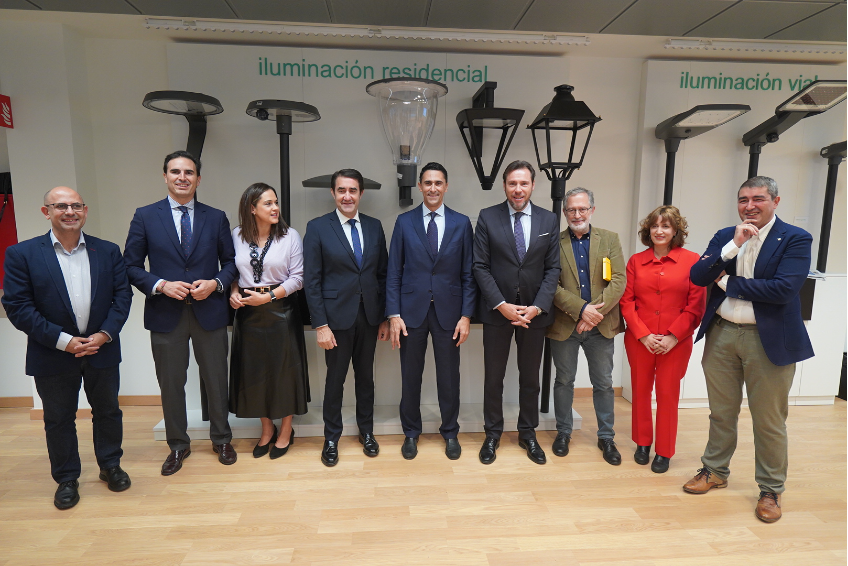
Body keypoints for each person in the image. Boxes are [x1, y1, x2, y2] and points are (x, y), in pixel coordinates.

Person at [683, 176, 814, 523]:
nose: (750, 206)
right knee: (721, 412)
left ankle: (771, 489)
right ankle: (714, 471)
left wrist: (726, 281)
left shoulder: (795, 238)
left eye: (758, 198)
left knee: (768, 420)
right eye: (743, 199)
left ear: (775, 201)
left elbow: (783, 289)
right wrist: (733, 246)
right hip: (722, 334)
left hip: (767, 340)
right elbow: (698, 276)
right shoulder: (726, 235)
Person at [2, 186, 132, 509]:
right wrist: (65, 341)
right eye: (61, 206)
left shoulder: (108, 250)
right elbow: (18, 307)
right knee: (59, 418)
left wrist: (104, 334)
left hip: (101, 349)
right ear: (46, 212)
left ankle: (110, 465)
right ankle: (66, 478)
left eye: (76, 205)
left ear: (85, 211)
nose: (70, 212)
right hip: (51, 353)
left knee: (108, 411)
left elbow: (122, 297)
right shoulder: (22, 254)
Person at [124, 150, 238, 475]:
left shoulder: (216, 217)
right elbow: (130, 265)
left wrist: (215, 284)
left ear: (198, 179)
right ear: (165, 177)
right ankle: (177, 445)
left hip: (210, 312)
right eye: (175, 172)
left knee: (216, 379)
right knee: (171, 383)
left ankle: (222, 439)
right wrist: (161, 285)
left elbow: (231, 263)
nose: (182, 177)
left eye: (189, 172)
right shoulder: (145, 216)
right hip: (165, 313)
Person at [385, 162, 476, 460]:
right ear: (420, 186)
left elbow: (468, 274)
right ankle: (411, 432)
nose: (433, 188)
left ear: (446, 186)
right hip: (410, 313)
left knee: (449, 378)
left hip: (450, 314)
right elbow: (394, 272)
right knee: (411, 376)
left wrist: (466, 316)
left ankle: (450, 432)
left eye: (438, 183)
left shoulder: (462, 223)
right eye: (428, 183)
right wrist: (394, 314)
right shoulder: (404, 222)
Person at [473, 160, 561, 465]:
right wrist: (501, 305)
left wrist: (536, 307)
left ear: (533, 185)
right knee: (493, 378)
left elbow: (553, 269)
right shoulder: (487, 217)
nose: (518, 189)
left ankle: (528, 433)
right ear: (504, 186)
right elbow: (480, 266)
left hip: (534, 314)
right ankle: (492, 434)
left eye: (524, 183)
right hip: (497, 312)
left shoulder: (549, 219)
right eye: (512, 183)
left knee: (530, 378)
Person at [303, 168, 389, 467]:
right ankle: (331, 437)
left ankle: (367, 432)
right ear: (333, 193)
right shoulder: (317, 227)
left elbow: (382, 275)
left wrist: (384, 317)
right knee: (335, 380)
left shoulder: (375, 227)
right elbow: (312, 281)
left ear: (361, 193)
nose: (347, 196)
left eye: (353, 190)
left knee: (366, 378)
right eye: (341, 190)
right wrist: (321, 325)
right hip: (335, 320)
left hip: (369, 317)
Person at [620, 205, 706, 473]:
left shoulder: (692, 261)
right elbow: (627, 302)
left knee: (668, 395)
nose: (659, 231)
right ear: (648, 230)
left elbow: (696, 305)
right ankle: (642, 442)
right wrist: (644, 335)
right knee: (640, 391)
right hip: (640, 340)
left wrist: (673, 337)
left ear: (675, 230)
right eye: (655, 226)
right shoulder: (636, 261)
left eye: (666, 226)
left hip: (676, 343)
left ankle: (664, 451)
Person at [546, 187, 626, 465]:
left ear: (592, 210)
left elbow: (619, 280)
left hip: (600, 326)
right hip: (564, 325)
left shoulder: (610, 239)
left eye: (582, 209)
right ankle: (563, 432)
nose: (577, 214)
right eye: (571, 210)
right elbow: (550, 285)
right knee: (563, 381)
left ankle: (606, 437)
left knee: (603, 383)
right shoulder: (553, 243)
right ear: (564, 212)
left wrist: (593, 315)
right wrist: (581, 310)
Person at [228, 183, 309, 459]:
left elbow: (298, 278)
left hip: (282, 310)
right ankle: (266, 428)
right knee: (254, 374)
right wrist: (234, 291)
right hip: (248, 313)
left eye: (276, 202)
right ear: (252, 209)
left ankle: (286, 430)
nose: (275, 208)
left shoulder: (290, 236)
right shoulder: (236, 235)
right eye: (268, 203)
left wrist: (269, 297)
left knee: (284, 372)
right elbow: (232, 272)